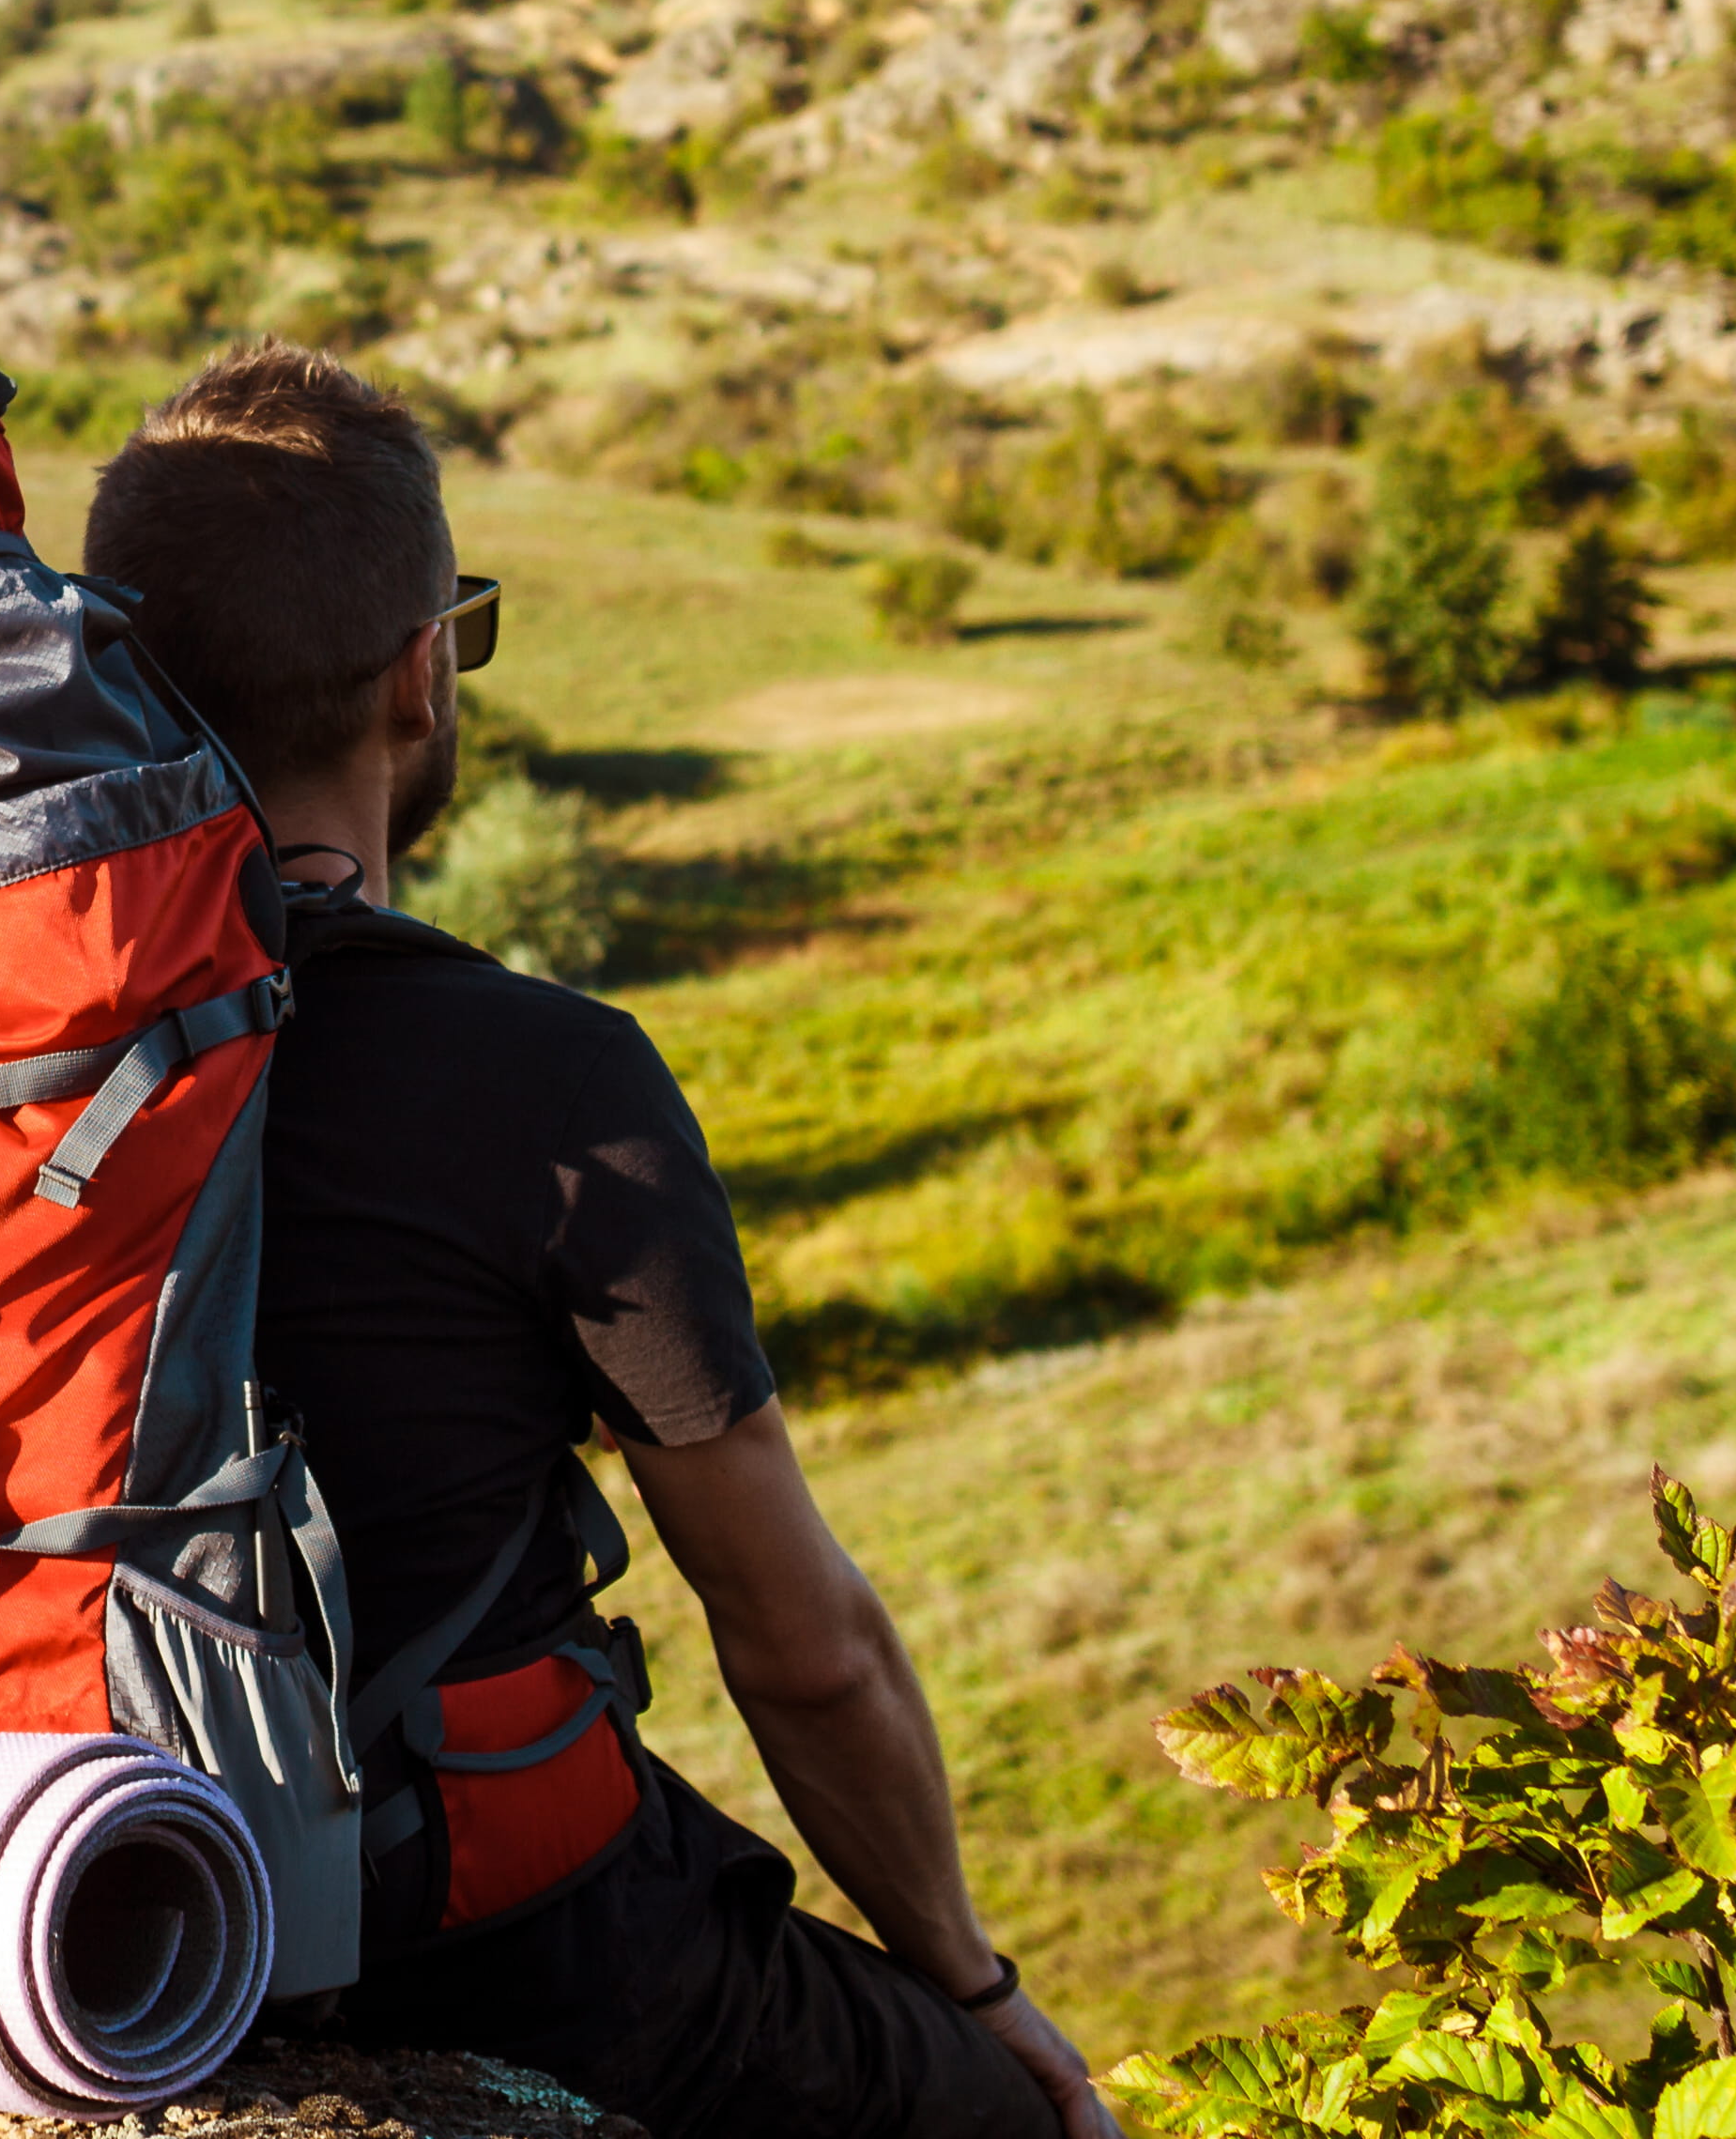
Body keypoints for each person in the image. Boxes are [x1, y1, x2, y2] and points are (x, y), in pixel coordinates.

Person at [82, 343, 1109, 2139]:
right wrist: (969, 1984)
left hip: (89, 1900)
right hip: (492, 1940)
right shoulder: (547, 1079)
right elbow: (801, 1642)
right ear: (418, 676)